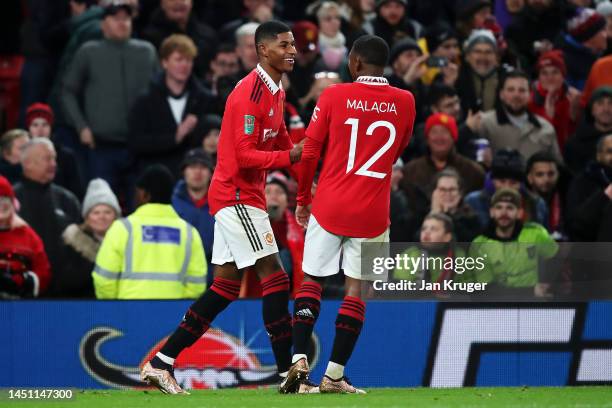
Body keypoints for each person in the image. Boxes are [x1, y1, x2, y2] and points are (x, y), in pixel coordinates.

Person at [140, 21, 307, 395]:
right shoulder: (248, 93)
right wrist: (289, 155)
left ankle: (160, 363)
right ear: (263, 50)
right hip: (236, 195)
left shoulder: (275, 91)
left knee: (225, 288)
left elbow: (282, 139)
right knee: (276, 277)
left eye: (293, 44)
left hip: (245, 197)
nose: (292, 50)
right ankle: (287, 374)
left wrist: (307, 159)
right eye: (284, 45)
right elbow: (246, 154)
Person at [290, 34, 415, 393]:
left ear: (355, 63)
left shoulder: (334, 95)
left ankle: (298, 361)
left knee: (312, 279)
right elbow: (397, 150)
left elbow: (310, 150)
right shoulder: (406, 101)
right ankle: (334, 374)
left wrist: (303, 197)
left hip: (329, 203)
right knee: (356, 290)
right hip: (373, 211)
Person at [62, 1, 157, 210]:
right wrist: (81, 126)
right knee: (101, 209)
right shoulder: (89, 51)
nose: (122, 23)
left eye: (126, 18)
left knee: (141, 209)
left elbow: (158, 93)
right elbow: (67, 90)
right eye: (116, 18)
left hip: (139, 147)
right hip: (101, 146)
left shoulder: (147, 52)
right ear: (103, 23)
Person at [92, 165, 206, 299]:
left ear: (144, 194)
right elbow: (197, 284)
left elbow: (103, 279)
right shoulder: (189, 233)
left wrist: (117, 307)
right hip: (173, 314)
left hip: (128, 314)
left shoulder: (122, 228)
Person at [129, 34, 215, 177]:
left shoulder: (204, 99)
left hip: (195, 177)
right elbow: (136, 142)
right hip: (157, 174)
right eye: (178, 59)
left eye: (188, 60)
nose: (184, 65)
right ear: (164, 62)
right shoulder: (145, 100)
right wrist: (174, 138)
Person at [14, 138, 82, 296]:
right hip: (21, 296)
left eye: (54, 158)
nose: (54, 164)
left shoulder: (67, 199)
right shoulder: (11, 201)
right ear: (27, 163)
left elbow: (81, 248)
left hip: (65, 294)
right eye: (47, 158)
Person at [469, 188, 558, 298]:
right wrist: (530, 292)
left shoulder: (536, 234)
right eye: (499, 207)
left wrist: (547, 284)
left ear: (519, 213)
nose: (504, 213)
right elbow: (487, 289)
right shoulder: (479, 244)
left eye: (510, 208)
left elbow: (555, 258)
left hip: (533, 304)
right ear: (492, 212)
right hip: (499, 305)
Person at [479, 70, 562, 164]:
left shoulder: (545, 129)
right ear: (501, 94)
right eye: (511, 90)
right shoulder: (484, 124)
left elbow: (557, 167)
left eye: (522, 90)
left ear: (530, 95)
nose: (516, 95)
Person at [401, 113, 485, 198]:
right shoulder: (410, 172)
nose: (439, 137)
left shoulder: (474, 172)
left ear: (453, 137)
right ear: (427, 138)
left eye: (444, 132)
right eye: (434, 132)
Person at [62, 178, 120, 298]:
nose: (102, 217)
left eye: (107, 212)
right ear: (87, 217)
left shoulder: (126, 243)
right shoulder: (72, 244)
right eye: (96, 213)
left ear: (116, 216)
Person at [465, 148, 548, 229]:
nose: (507, 188)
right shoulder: (473, 202)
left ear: (521, 183)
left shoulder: (537, 204)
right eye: (502, 181)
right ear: (492, 180)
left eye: (513, 183)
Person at [0, 175, 51, 298]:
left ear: (13, 203)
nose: (2, 204)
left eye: (5, 199)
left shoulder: (28, 235)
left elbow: (44, 271)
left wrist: (26, 282)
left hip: (22, 306)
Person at [171, 148, 215, 286]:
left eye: (203, 167)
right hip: (175, 275)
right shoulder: (169, 203)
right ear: (184, 171)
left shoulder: (224, 204)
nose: (198, 172)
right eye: (192, 167)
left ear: (211, 172)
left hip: (213, 279)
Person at [26, 103, 83, 198]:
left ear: (51, 127)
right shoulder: (21, 155)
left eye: (45, 125)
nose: (40, 130)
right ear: (29, 129)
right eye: (35, 125)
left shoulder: (66, 156)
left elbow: (76, 191)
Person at [528, 50, 580, 151]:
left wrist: (575, 116)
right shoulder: (529, 101)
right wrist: (548, 117)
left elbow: (576, 137)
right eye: (544, 73)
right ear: (539, 77)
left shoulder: (573, 98)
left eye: (555, 72)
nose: (550, 78)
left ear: (563, 76)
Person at [565, 86, 612, 174]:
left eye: (611, 103)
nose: (606, 109)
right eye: (600, 103)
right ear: (592, 110)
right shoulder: (575, 144)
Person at [559, 7, 608, 90]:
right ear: (588, 37)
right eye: (602, 31)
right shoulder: (566, 63)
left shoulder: (597, 55)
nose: (606, 35)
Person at [429, 169, 482, 242]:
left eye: (452, 189)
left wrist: (449, 215)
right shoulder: (419, 216)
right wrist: (434, 214)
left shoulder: (472, 219)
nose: (447, 194)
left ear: (460, 192)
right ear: (434, 193)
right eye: (442, 189)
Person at [526, 152, 568, 239]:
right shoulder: (523, 203)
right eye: (540, 174)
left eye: (551, 174)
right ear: (529, 178)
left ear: (558, 175)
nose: (546, 179)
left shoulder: (567, 198)